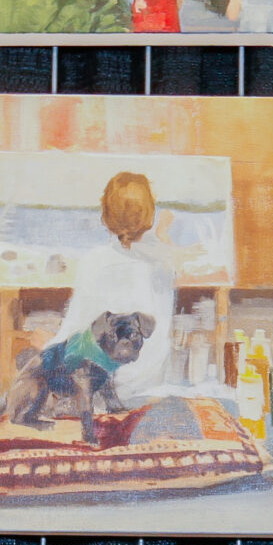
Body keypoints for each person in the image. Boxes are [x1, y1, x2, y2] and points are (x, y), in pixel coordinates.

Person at [54, 170, 177, 408]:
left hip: (107, 392)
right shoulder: (164, 263)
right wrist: (162, 233)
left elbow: (72, 332)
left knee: (45, 361)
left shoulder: (94, 262)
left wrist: (45, 345)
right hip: (151, 386)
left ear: (106, 216)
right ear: (149, 215)